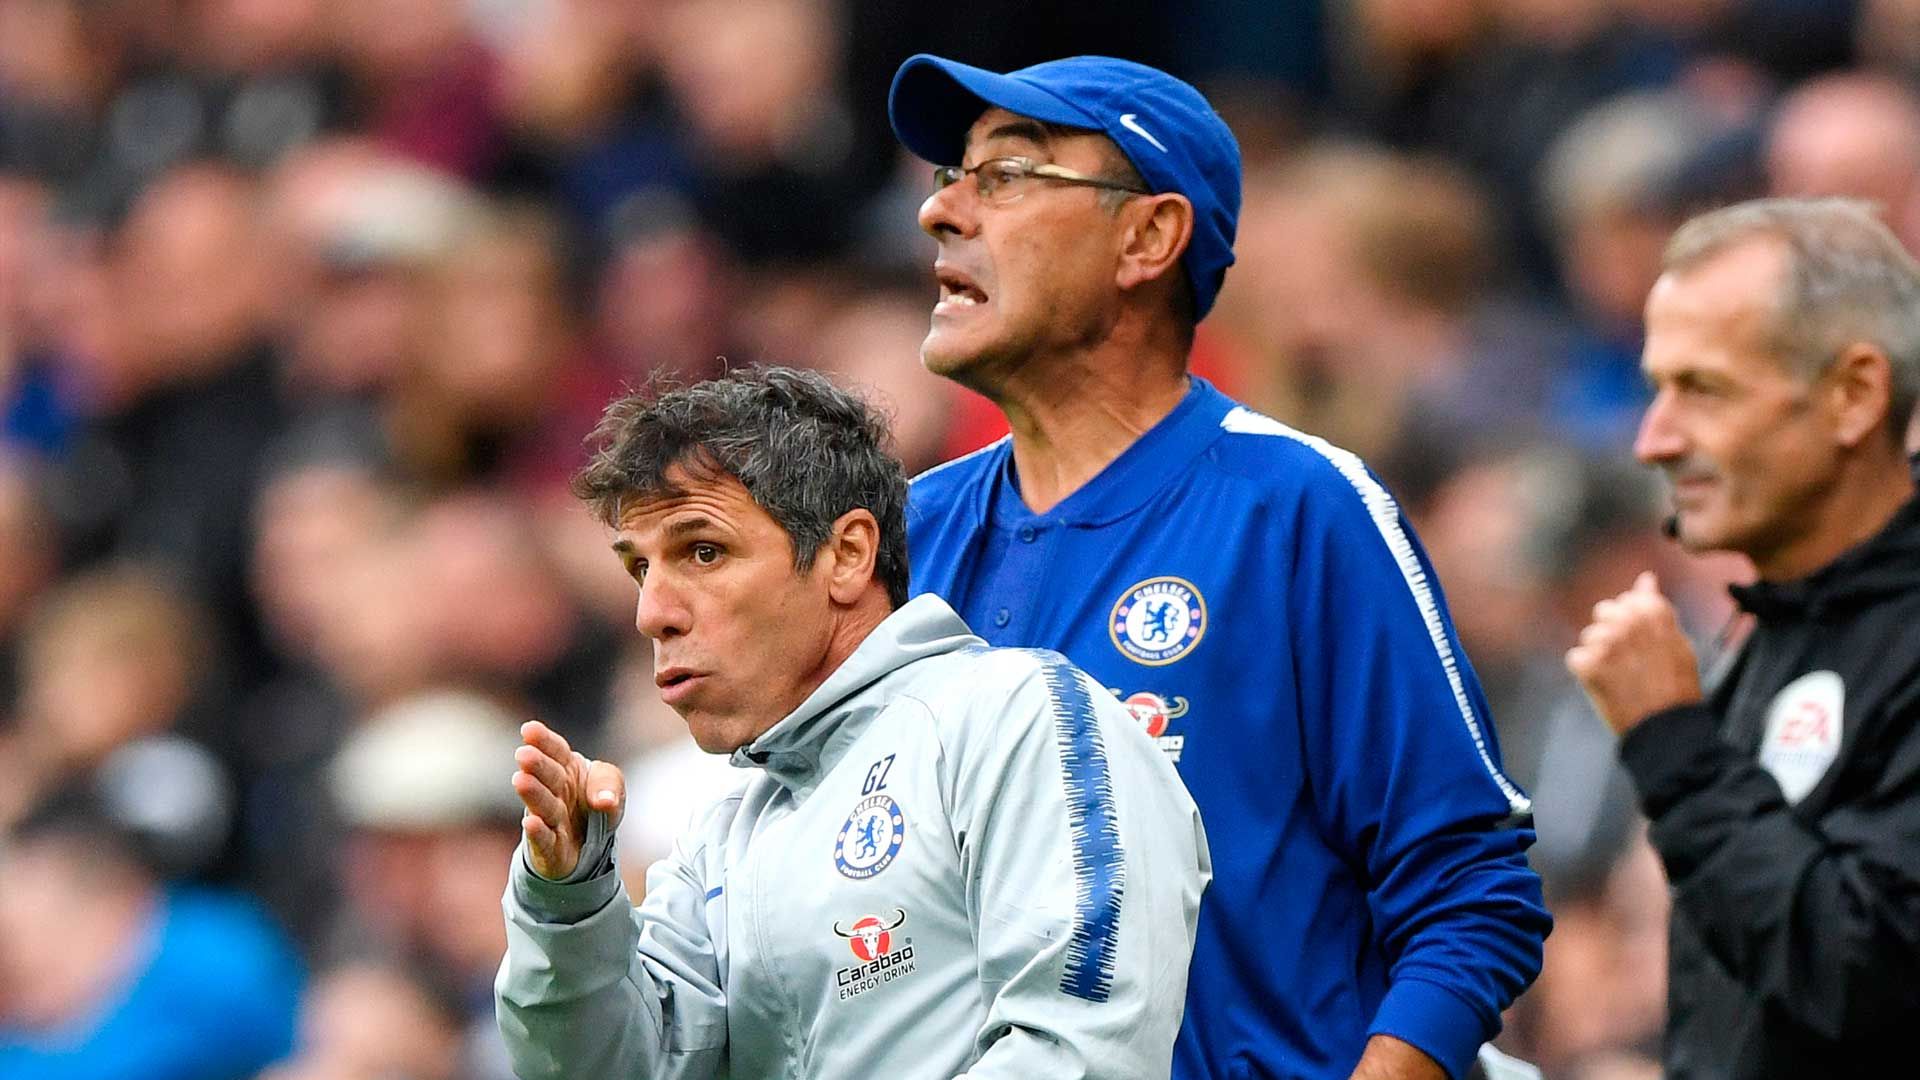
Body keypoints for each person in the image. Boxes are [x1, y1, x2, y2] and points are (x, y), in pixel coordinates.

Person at [887, 55, 1550, 1080]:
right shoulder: (905, 536)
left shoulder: (1298, 507)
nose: (944, 213)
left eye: (1009, 174)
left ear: (1149, 237)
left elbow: (1470, 889)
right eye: (949, 177)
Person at [493, 367, 1211, 1079]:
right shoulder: (725, 835)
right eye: (639, 571)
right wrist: (569, 905)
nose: (653, 612)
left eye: (703, 552)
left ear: (848, 556)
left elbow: (1081, 1049)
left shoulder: (1014, 720)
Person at [1567, 197, 1920, 1078]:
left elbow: (1862, 974)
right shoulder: (1775, 626)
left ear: (1855, 395)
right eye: (1655, 388)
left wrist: (1673, 744)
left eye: (1705, 390)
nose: (1654, 440)